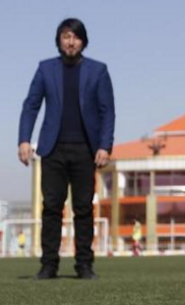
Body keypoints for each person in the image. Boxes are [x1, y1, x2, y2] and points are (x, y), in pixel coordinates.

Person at [18, 18, 115, 280]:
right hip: (52, 149)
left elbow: (108, 112)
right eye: (65, 36)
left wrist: (105, 145)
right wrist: (24, 140)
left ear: (83, 41)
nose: (70, 41)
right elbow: (31, 105)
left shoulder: (98, 70)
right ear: (59, 40)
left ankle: (84, 265)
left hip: (86, 150)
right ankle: (48, 265)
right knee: (51, 207)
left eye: (75, 37)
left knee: (83, 208)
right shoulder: (45, 69)